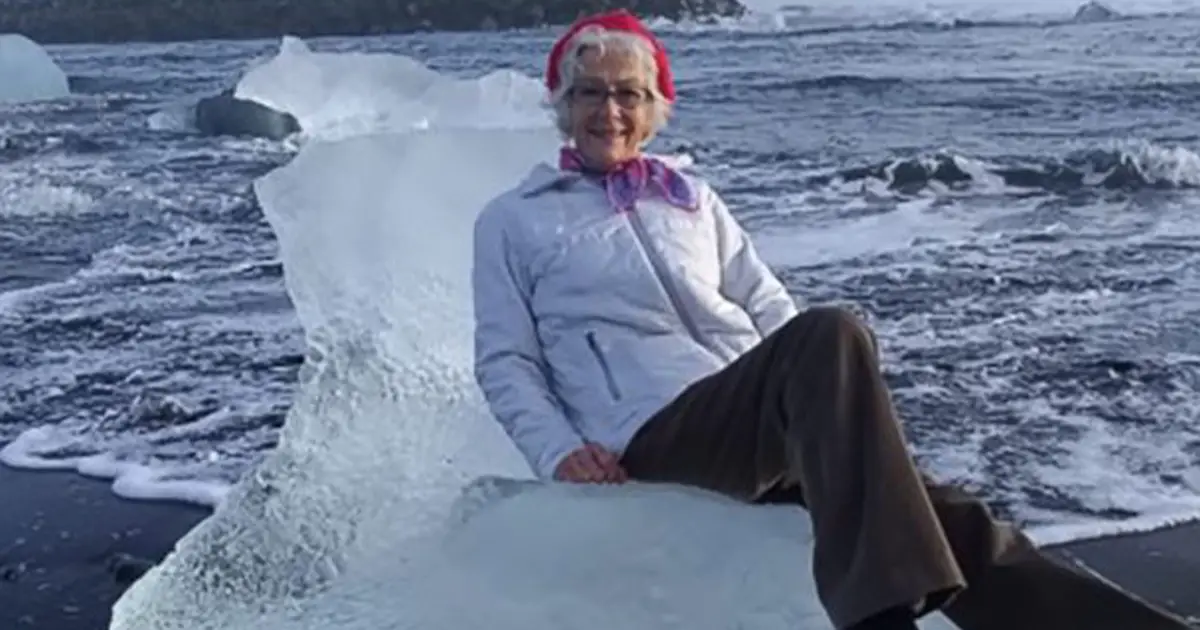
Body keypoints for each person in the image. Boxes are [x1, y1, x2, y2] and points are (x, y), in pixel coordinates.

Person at [469, 10, 1191, 630]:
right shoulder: (515, 220)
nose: (610, 112)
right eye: (590, 92)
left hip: (753, 419)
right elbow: (507, 361)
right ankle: (877, 617)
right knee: (832, 330)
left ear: (655, 107)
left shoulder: (691, 199)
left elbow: (766, 303)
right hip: (650, 433)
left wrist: (813, 403)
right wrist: (558, 449)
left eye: (629, 94)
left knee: (950, 516)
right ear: (562, 105)